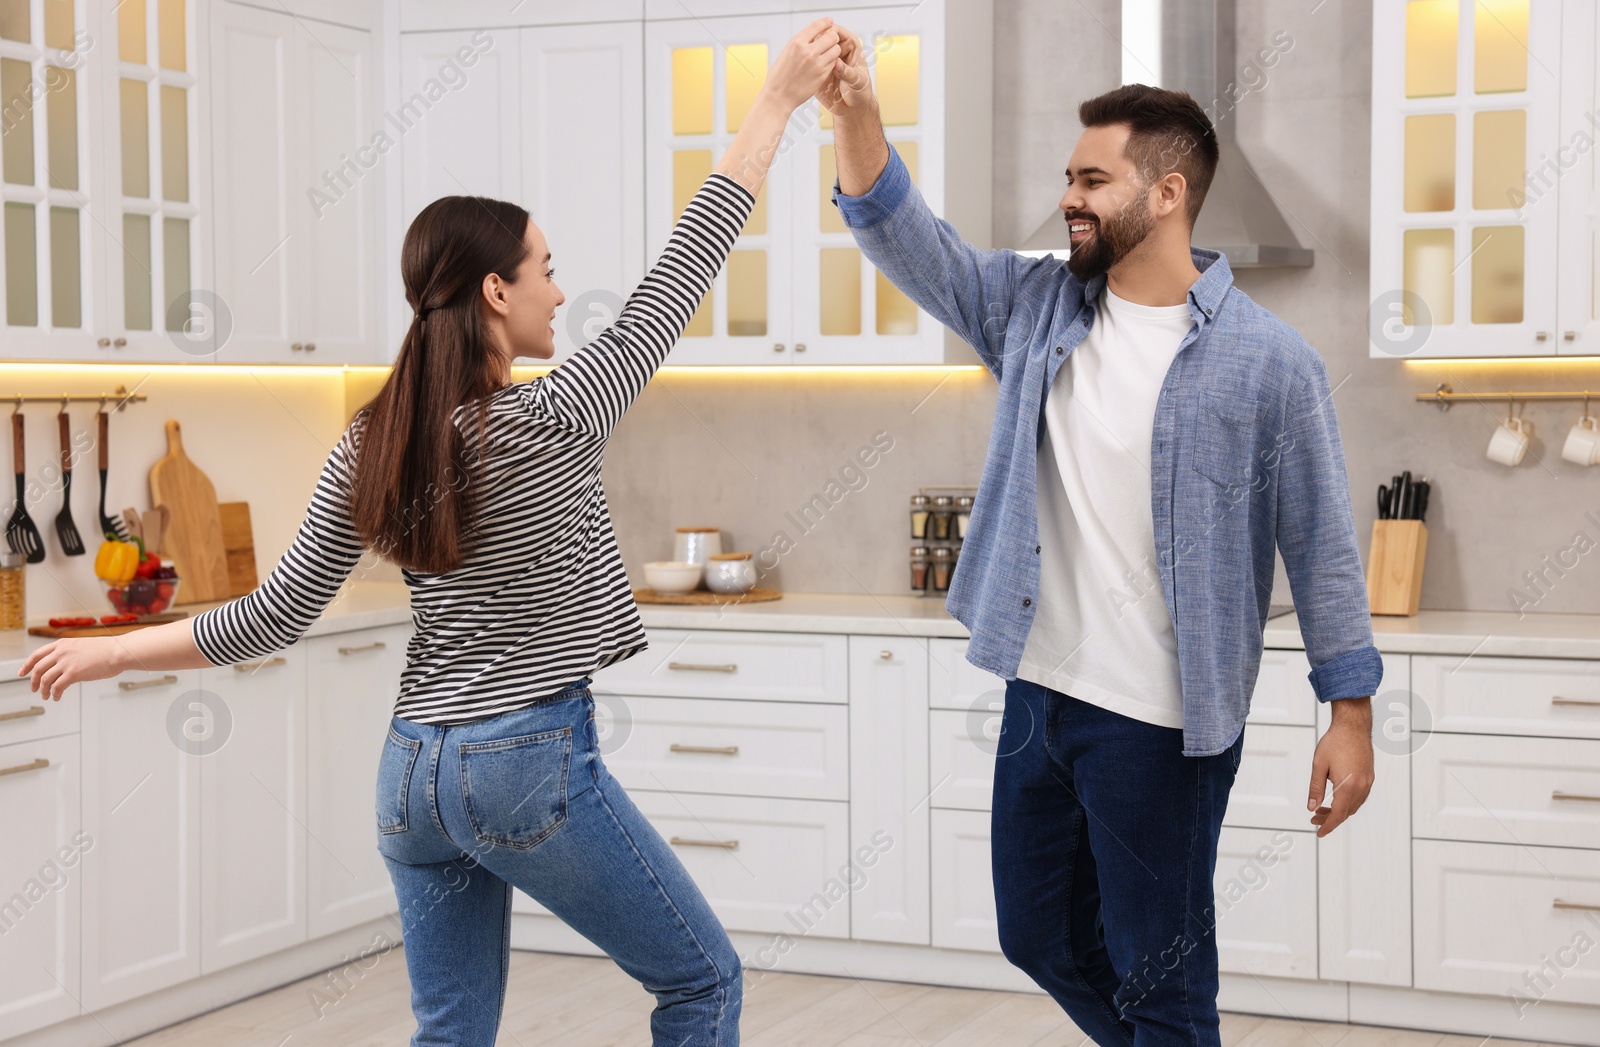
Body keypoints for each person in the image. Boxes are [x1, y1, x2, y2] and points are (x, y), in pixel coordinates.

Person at [18, 20, 845, 1047]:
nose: (556, 286)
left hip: (412, 775)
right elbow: (692, 255)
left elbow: (274, 614)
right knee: (702, 981)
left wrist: (112, 657)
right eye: (544, 267)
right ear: (497, 291)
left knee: (450, 1029)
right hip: (522, 761)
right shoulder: (559, 412)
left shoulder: (371, 440)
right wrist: (775, 100)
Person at [819, 32, 1379, 1047]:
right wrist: (854, 107)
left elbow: (1323, 545)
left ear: (1165, 193)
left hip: (1161, 727)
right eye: (1066, 176)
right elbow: (903, 234)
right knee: (1035, 935)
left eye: (1090, 178)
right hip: (1039, 696)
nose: (1068, 196)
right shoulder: (1034, 310)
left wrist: (1350, 714)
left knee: (1162, 980)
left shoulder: (1270, 363)